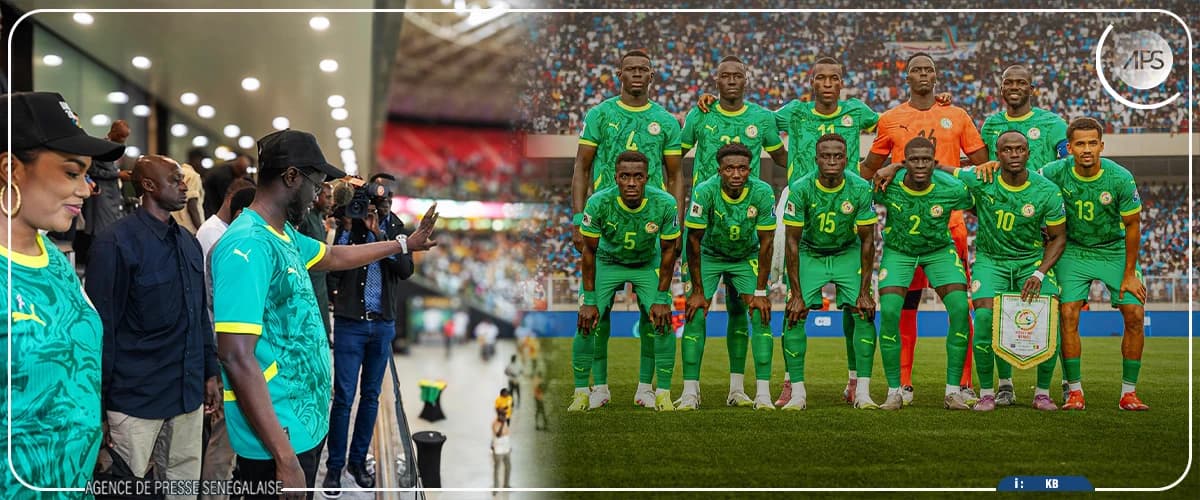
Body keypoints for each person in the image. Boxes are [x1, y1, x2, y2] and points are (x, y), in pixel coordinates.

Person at [211, 129, 438, 498]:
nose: (320, 194)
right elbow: (236, 356)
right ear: (291, 177)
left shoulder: (280, 234)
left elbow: (334, 256)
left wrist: (403, 244)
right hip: (276, 441)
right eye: (316, 182)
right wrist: (284, 459)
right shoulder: (247, 245)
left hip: (301, 427)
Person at [0, 91, 124, 494]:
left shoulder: (52, 256)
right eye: (72, 173)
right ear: (11, 169)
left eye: (88, 174)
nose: (87, 189)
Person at [861, 52, 989, 406]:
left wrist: (945, 169)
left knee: (958, 306)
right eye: (916, 69)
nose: (922, 74)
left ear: (936, 77)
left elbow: (981, 166)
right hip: (906, 228)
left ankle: (962, 385)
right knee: (905, 306)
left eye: (928, 70)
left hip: (950, 228)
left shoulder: (957, 115)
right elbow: (869, 168)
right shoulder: (890, 119)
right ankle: (902, 384)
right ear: (906, 76)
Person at [86, 154, 221, 488]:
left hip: (187, 397)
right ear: (147, 185)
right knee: (129, 488)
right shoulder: (115, 243)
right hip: (136, 400)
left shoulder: (188, 243)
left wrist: (209, 373)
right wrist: (98, 406)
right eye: (174, 179)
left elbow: (199, 313)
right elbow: (102, 329)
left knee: (183, 488)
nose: (183, 185)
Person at [571, 49, 683, 410]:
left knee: (655, 317)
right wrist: (577, 219)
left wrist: (674, 224)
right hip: (607, 229)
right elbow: (581, 168)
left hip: (650, 230)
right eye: (630, 69)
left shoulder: (665, 120)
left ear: (652, 75)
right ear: (618, 73)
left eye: (644, 70)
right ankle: (598, 387)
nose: (637, 74)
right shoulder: (601, 115)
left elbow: (676, 175)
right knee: (596, 316)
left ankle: (646, 388)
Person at [679, 56, 788, 409]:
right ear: (715, 81)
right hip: (706, 232)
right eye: (724, 75)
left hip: (746, 236)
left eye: (736, 75)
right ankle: (690, 391)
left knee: (745, 313)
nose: (730, 81)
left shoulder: (762, 118)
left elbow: (786, 159)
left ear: (746, 80)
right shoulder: (700, 114)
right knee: (696, 308)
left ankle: (739, 389)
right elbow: (673, 154)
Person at [1038, 117, 1148, 411]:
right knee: (1068, 312)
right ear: (1069, 147)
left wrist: (1129, 274)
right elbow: (1022, 181)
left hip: (1113, 249)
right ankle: (1074, 392)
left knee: (1135, 312)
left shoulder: (1120, 177)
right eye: (1080, 144)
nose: (1087, 149)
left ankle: (1129, 393)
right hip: (1073, 250)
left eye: (1092, 143)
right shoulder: (1051, 172)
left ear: (1102, 145)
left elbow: (1133, 226)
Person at [955, 131, 1066, 411]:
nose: (1014, 154)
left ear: (1028, 153)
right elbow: (941, 169)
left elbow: (1058, 237)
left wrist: (1039, 273)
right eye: (1007, 150)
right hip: (992, 261)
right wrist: (897, 165)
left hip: (1031, 261)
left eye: (1019, 149)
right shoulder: (982, 179)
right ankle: (991, 391)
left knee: (1049, 316)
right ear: (997, 154)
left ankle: (1042, 393)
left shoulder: (1046, 190)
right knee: (983, 318)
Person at [979, 64, 1071, 404]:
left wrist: (1053, 213)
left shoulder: (1052, 124)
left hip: (1049, 229)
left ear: (1032, 88)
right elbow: (984, 173)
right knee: (998, 312)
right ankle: (1004, 385)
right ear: (1001, 88)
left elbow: (1066, 168)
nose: (1015, 87)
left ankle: (1062, 384)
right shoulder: (991, 125)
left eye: (1021, 83)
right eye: (1008, 82)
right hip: (1008, 231)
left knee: (1056, 310)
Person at [568, 150, 680, 412]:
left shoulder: (664, 203)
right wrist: (590, 299)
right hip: (607, 262)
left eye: (638, 176)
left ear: (647, 178)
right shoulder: (598, 202)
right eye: (625, 176)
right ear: (616, 177)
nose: (631, 182)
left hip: (646, 263)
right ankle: (586, 392)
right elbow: (589, 252)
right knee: (587, 321)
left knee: (662, 322)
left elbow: (668, 251)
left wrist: (663, 298)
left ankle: (655, 392)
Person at [324, 181, 416, 491]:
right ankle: (334, 467)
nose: (381, 206)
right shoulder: (353, 222)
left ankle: (357, 461)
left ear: (392, 200)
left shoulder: (399, 228)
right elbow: (334, 269)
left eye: (387, 199)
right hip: (351, 323)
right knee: (343, 399)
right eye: (376, 200)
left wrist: (382, 236)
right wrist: (350, 227)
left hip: (382, 325)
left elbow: (405, 270)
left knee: (371, 397)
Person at [871, 137, 974, 410]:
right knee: (891, 312)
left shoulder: (951, 188)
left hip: (939, 251)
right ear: (905, 161)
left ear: (933, 161)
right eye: (913, 159)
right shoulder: (886, 185)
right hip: (899, 252)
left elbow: (981, 197)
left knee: (961, 309)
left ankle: (953, 391)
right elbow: (860, 186)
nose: (920, 164)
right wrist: (890, 167)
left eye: (925, 159)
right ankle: (894, 390)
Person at [780, 134, 879, 410]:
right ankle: (797, 393)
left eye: (838, 156)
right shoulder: (800, 189)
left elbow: (868, 241)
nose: (832, 161)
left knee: (864, 313)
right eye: (826, 156)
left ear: (846, 159)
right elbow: (791, 242)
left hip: (847, 252)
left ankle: (863, 392)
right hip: (811, 253)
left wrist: (864, 292)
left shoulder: (860, 188)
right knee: (794, 314)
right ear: (816, 159)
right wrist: (796, 293)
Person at [679, 143, 777, 410]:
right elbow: (694, 241)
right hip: (709, 255)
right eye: (730, 168)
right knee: (695, 312)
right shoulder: (705, 190)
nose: (736, 174)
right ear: (719, 170)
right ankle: (690, 392)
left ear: (750, 170)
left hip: (745, 256)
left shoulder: (763, 192)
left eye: (742, 168)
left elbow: (767, 242)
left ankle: (754, 393)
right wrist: (698, 291)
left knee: (758, 313)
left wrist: (759, 293)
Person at [197, 183, 254, 499]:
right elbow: (212, 301)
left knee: (234, 436)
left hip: (233, 350)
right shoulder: (216, 238)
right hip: (225, 351)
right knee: (224, 435)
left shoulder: (231, 237)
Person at [76, 119, 130, 267]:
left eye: (125, 137)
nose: (123, 140)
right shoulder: (100, 147)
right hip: (102, 197)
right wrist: (118, 175)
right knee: (101, 232)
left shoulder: (118, 147)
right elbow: (93, 171)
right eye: (121, 136)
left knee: (113, 231)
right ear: (113, 132)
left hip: (114, 196)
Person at [297, 182, 333, 340]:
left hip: (321, 288)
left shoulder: (319, 219)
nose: (331, 202)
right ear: (316, 196)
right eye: (328, 197)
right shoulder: (306, 219)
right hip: (309, 289)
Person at [202, 152, 251, 217]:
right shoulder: (224, 176)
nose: (242, 176)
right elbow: (225, 197)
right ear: (237, 167)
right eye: (242, 172)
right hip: (210, 206)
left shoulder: (225, 170)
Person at [172, 156, 206, 234]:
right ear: (197, 161)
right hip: (189, 228)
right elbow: (192, 205)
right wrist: (201, 231)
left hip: (175, 226)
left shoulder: (177, 172)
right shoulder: (193, 176)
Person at [491, 406, 512, 491]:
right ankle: (496, 487)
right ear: (499, 415)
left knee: (508, 466)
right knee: (497, 468)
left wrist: (509, 447)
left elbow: (506, 435)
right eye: (503, 415)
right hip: (498, 450)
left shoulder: (505, 422)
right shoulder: (495, 423)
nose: (505, 417)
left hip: (506, 449)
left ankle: (506, 485)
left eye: (505, 415)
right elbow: (498, 435)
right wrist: (503, 424)